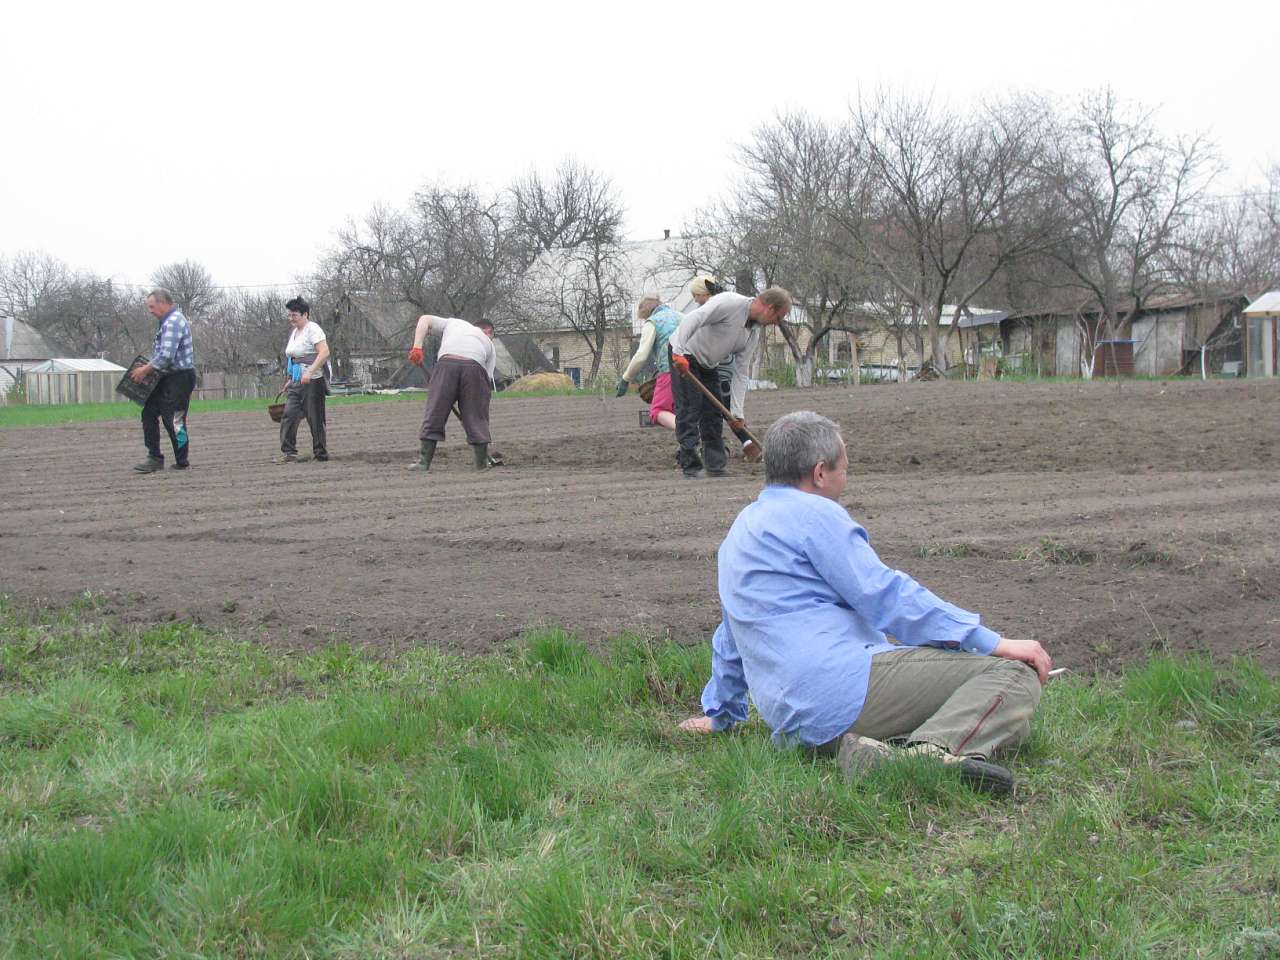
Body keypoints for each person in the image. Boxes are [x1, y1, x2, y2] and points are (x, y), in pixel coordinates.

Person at [678, 411, 1051, 794]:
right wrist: (992, 642)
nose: (846, 481)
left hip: (792, 721)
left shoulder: (740, 531)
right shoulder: (815, 513)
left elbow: (731, 634)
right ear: (820, 473)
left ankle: (868, 751)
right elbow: (885, 595)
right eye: (845, 470)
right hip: (841, 691)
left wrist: (720, 714)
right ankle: (923, 757)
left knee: (1009, 725)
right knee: (1012, 677)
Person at [668, 286, 791, 478]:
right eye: (778, 318)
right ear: (769, 308)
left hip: (709, 364)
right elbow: (694, 318)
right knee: (690, 407)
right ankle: (690, 466)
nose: (776, 323)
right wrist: (678, 352)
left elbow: (741, 373)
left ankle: (715, 466)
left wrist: (737, 413)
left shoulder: (753, 333)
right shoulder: (729, 302)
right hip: (685, 354)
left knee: (713, 413)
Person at [406, 315, 497, 472]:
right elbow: (485, 387)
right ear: (488, 331)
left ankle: (423, 463)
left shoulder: (453, 323)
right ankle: (481, 464)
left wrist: (417, 347)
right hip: (475, 368)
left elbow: (424, 319)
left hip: (446, 364)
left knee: (435, 411)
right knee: (477, 415)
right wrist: (473, 414)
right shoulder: (489, 343)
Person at [128, 288, 196, 473]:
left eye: (152, 306)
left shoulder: (173, 322)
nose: (150, 311)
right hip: (165, 376)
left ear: (163, 303)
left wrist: (144, 370)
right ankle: (154, 457)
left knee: (174, 419)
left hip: (179, 377)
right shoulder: (166, 322)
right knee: (149, 413)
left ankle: (182, 461)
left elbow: (166, 357)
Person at [277, 296, 331, 463]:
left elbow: (324, 352)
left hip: (313, 380)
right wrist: (290, 379)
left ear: (305, 314)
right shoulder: (295, 332)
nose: (291, 318)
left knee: (314, 417)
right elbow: (294, 359)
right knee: (289, 414)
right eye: (290, 315)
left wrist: (310, 372)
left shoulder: (312, 329)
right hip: (297, 381)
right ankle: (289, 453)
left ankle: (320, 453)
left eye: (294, 315)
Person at [615, 295, 680, 430]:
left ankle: (688, 434)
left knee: (658, 411)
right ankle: (689, 446)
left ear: (646, 312)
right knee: (684, 410)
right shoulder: (683, 316)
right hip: (696, 369)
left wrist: (626, 379)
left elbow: (641, 356)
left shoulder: (653, 322)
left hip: (672, 369)